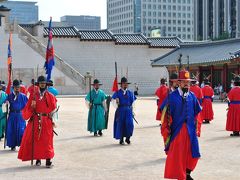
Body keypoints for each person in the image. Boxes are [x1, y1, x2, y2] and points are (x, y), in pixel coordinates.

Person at [160, 70, 201, 180]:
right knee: (179, 155)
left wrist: (197, 128)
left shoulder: (192, 96)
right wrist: (166, 130)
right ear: (179, 82)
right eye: (183, 82)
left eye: (188, 82)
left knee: (194, 153)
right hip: (178, 131)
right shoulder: (171, 97)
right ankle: (181, 176)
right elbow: (164, 115)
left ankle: (187, 173)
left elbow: (197, 113)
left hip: (191, 130)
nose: (186, 84)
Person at [18, 76, 57, 168]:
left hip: (46, 120)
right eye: (41, 83)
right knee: (36, 140)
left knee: (47, 140)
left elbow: (53, 110)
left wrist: (53, 121)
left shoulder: (50, 96)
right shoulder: (33, 96)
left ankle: (48, 160)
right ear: (38, 84)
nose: (42, 84)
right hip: (36, 120)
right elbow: (28, 108)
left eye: (44, 83)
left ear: (46, 84)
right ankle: (38, 159)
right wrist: (32, 107)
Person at [112, 77, 136, 145]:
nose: (125, 85)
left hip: (128, 110)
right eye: (124, 83)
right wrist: (116, 102)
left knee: (129, 124)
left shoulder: (130, 93)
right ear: (121, 84)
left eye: (126, 84)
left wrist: (133, 111)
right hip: (120, 110)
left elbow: (133, 103)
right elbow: (113, 101)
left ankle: (128, 138)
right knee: (121, 124)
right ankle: (121, 139)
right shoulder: (117, 92)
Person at [6, 79, 28, 151]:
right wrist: (6, 103)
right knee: (12, 130)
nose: (17, 89)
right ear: (13, 88)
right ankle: (13, 145)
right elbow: (5, 106)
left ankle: (22, 145)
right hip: (12, 115)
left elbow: (28, 106)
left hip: (20, 115)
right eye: (15, 87)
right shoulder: (9, 96)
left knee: (21, 130)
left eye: (18, 87)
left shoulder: (23, 96)